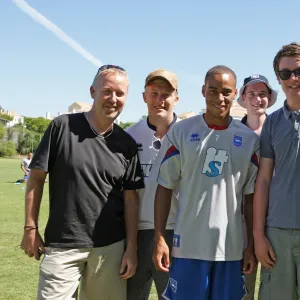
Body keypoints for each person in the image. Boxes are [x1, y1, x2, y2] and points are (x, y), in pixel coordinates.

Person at [20, 65, 144, 300]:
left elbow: (130, 199)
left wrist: (131, 249)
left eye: (120, 93)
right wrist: (30, 228)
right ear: (92, 91)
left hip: (110, 249)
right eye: (107, 91)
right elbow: (36, 179)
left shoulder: (126, 143)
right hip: (62, 245)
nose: (113, 99)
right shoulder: (62, 127)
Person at [152, 65, 259, 300]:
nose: (219, 98)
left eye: (226, 91)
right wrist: (160, 238)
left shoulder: (250, 140)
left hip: (230, 249)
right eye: (213, 91)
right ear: (203, 91)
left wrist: (250, 245)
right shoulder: (181, 132)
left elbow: (250, 199)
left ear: (235, 93)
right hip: (188, 246)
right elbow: (164, 187)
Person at [126, 69, 180, 300]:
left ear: (176, 98)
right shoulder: (129, 136)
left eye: (166, 94)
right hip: (136, 233)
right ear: (144, 96)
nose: (160, 99)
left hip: (177, 231)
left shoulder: (189, 135)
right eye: (154, 93)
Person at [254, 42, 300, 300]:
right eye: (285, 74)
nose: (293, 78)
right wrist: (259, 235)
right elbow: (263, 180)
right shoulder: (271, 122)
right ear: (279, 79)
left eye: (298, 71)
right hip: (277, 233)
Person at [237, 74, 277, 300]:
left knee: (274, 286)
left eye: (262, 94)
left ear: (269, 98)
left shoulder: (280, 127)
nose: (257, 99)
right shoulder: (233, 133)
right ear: (242, 97)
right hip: (241, 218)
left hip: (276, 216)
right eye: (251, 93)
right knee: (244, 284)